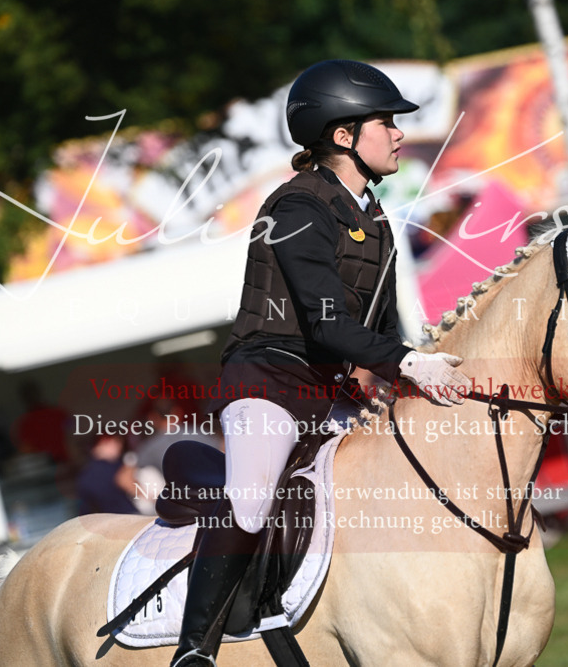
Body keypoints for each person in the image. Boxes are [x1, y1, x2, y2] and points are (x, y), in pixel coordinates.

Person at [169, 59, 470, 667]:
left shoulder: (377, 221)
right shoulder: (296, 208)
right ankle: (193, 651)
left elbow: (382, 331)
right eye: (386, 123)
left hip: (329, 392)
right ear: (343, 136)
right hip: (268, 381)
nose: (399, 134)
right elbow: (330, 322)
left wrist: (410, 371)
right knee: (252, 500)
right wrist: (409, 363)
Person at [76, 433, 141, 515]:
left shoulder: (83, 477)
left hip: (110, 522)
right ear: (98, 445)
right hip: (132, 516)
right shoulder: (117, 467)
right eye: (113, 442)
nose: (118, 446)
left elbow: (85, 511)